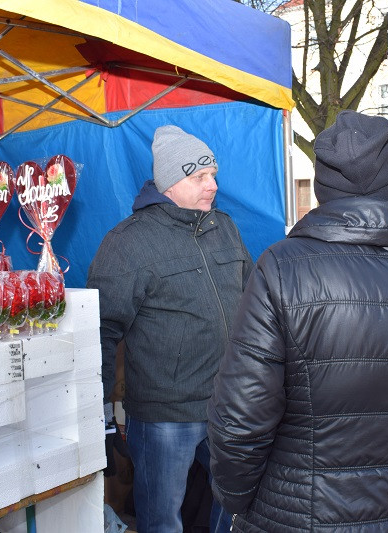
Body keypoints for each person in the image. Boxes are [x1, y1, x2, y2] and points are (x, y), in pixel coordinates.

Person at [207, 110, 388, 531]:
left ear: (323, 187)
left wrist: (237, 500)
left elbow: (241, 419)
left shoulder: (282, 269)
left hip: (302, 515)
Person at [87, 125, 253, 533]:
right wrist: (99, 413)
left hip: (228, 404)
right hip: (165, 417)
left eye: (213, 174)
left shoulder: (224, 227)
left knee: (239, 507)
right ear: (170, 183)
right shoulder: (128, 243)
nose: (213, 185)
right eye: (200, 177)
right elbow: (100, 332)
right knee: (162, 521)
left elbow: (253, 303)